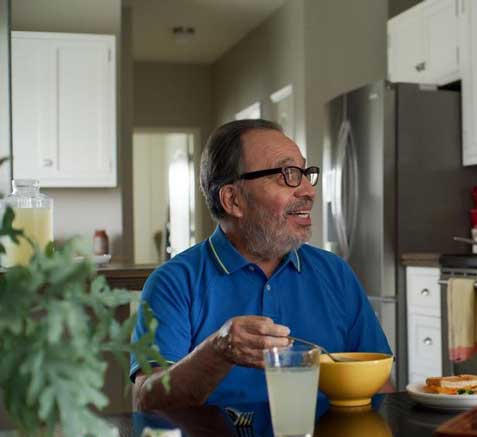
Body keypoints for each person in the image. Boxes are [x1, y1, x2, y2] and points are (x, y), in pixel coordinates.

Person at [131, 119, 392, 410]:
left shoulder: (336, 273)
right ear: (233, 200)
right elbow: (147, 401)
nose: (309, 190)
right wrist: (216, 352)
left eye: (305, 172)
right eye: (288, 174)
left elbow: (380, 385)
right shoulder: (173, 282)